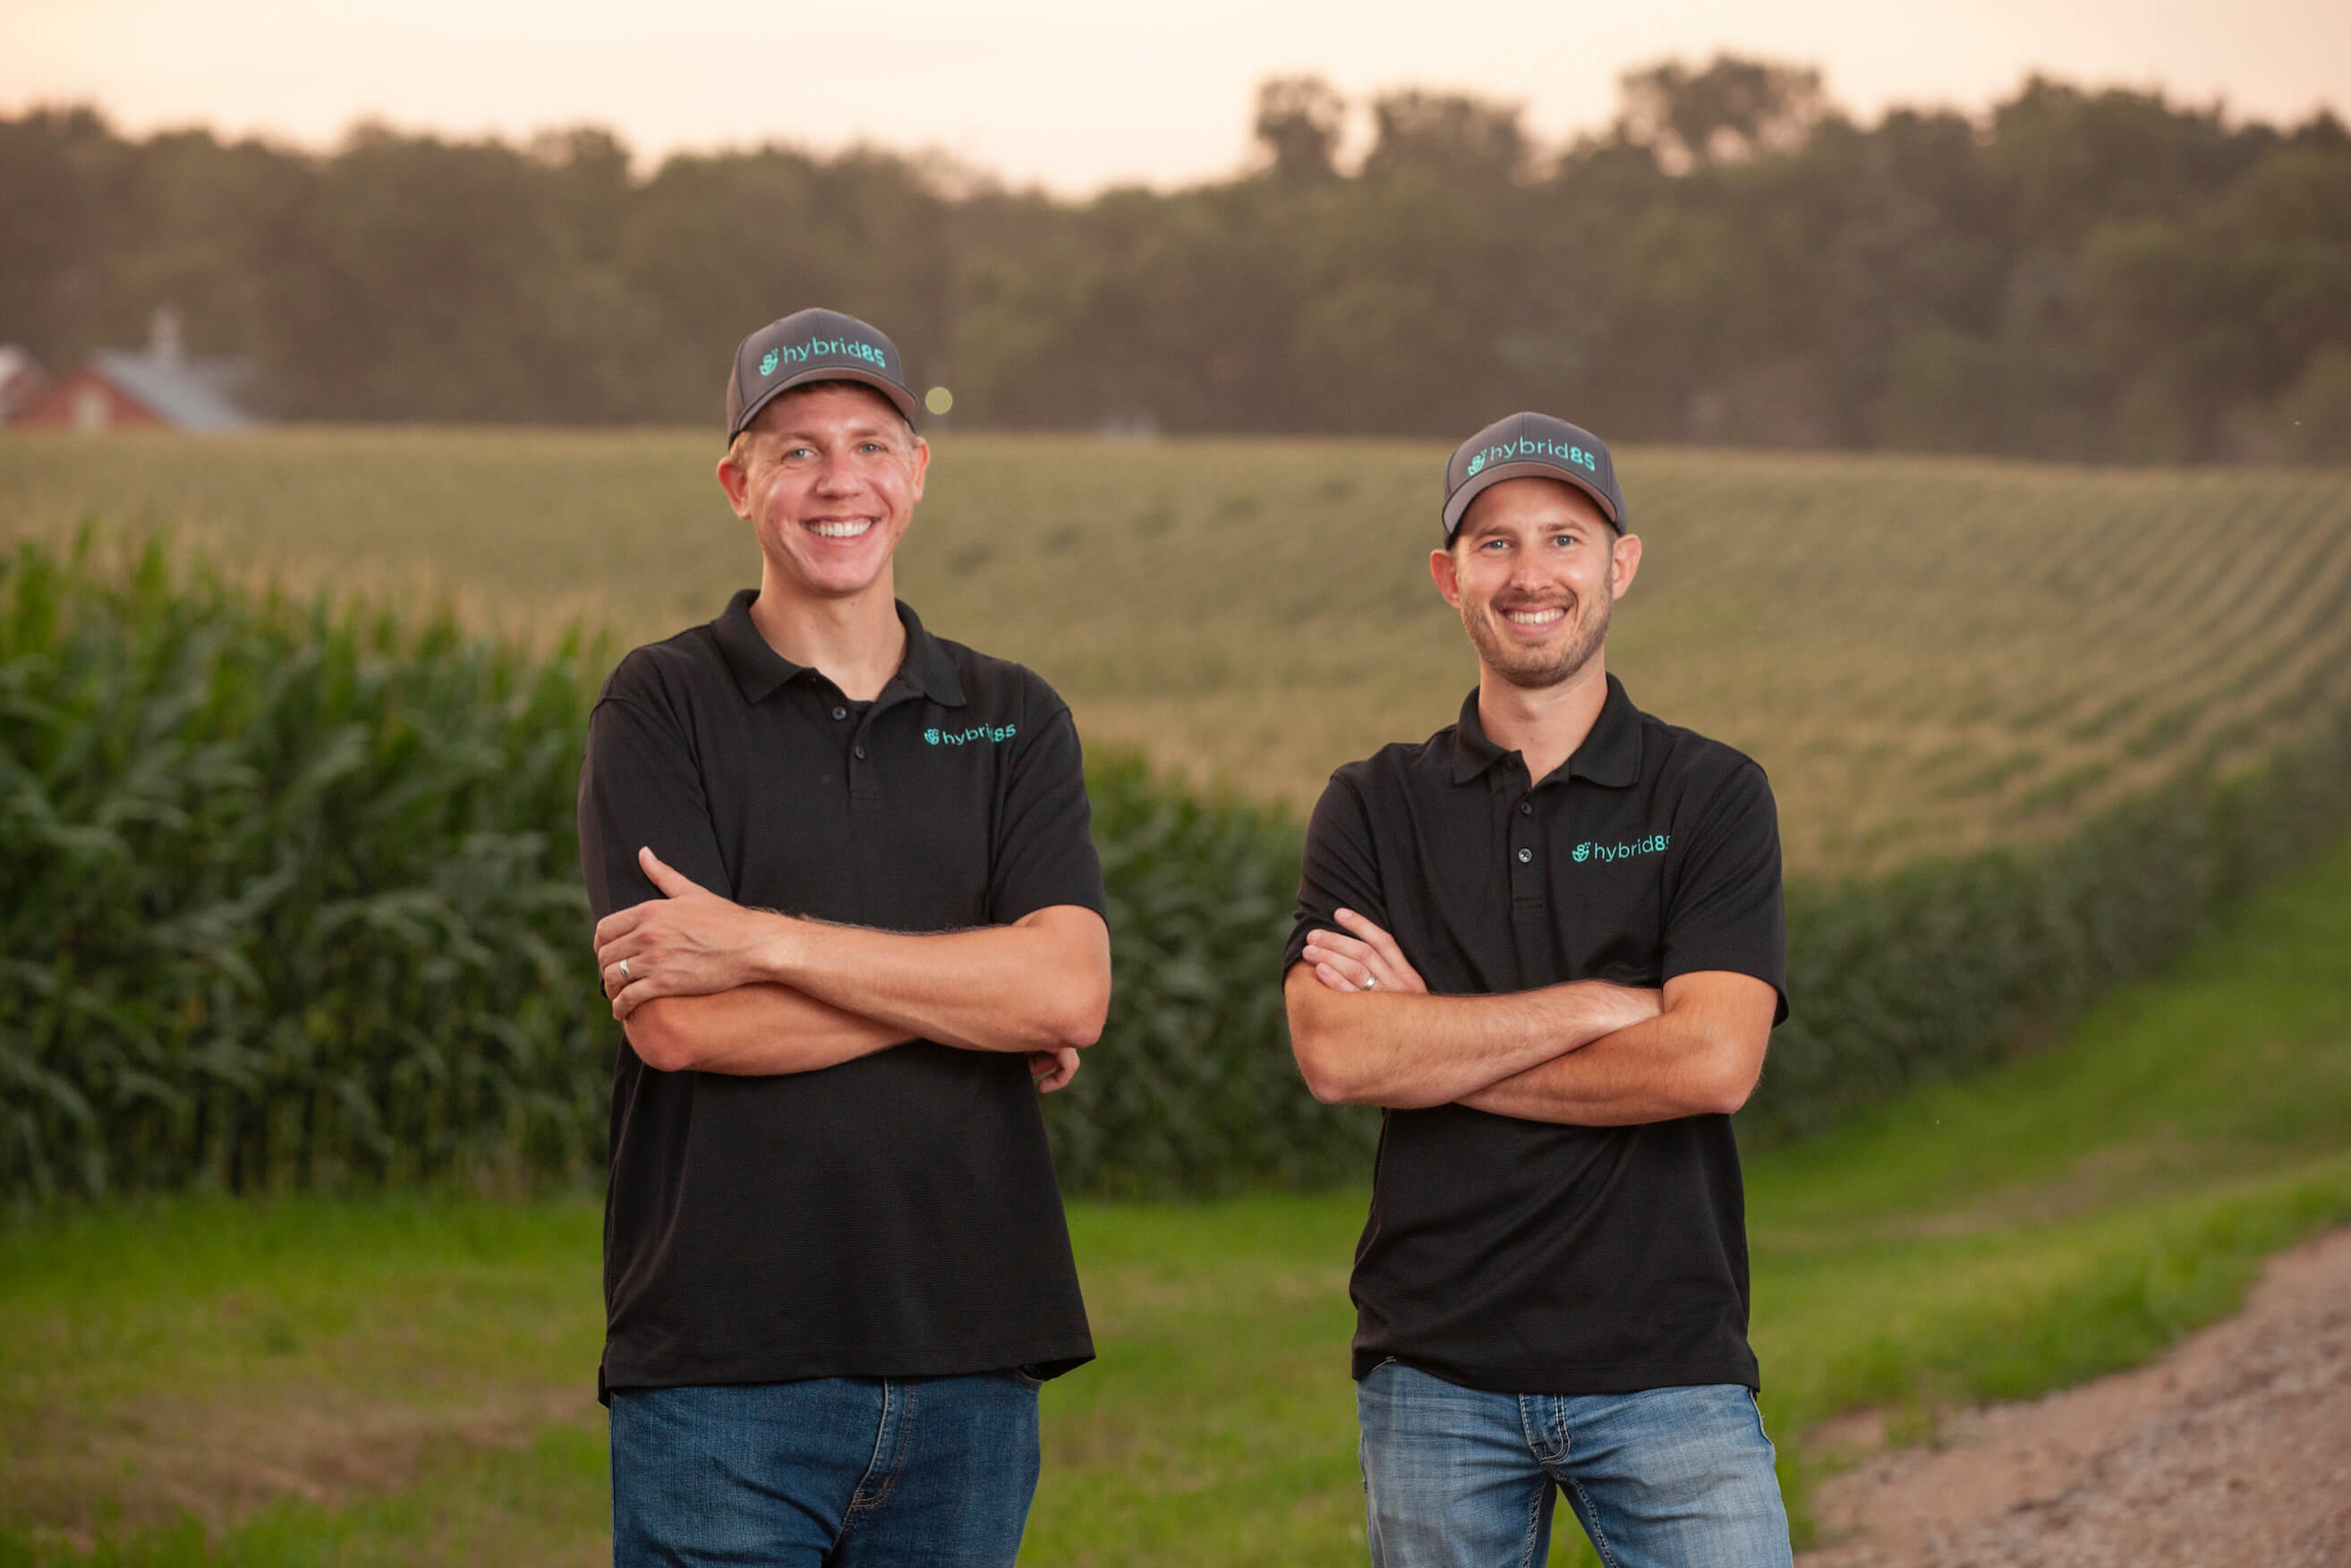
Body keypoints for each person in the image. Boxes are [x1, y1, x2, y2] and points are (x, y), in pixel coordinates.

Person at [577, 306, 1112, 1567]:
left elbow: (1068, 995)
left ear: (917, 474)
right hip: (722, 1364)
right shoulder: (660, 705)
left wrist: (768, 942)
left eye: (872, 444)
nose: (839, 481)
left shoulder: (1011, 716)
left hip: (973, 1351)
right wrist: (967, 1000)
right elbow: (679, 1020)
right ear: (737, 483)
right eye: (796, 449)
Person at [1282, 412, 1794, 1568]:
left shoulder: (1710, 796)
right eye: (1496, 543)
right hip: (1435, 1372)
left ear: (1620, 564)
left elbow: (1712, 1063)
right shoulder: (1373, 806)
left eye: (1565, 539)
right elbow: (1339, 1057)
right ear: (1447, 576)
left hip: (1670, 1366)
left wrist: (1434, 1042)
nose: (1531, 575)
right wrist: (1609, 1005)